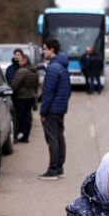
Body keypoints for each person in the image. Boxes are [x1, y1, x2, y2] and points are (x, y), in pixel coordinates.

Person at [38, 38, 71, 180]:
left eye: (45, 48)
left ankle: (52, 170)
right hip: (60, 109)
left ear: (52, 50)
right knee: (59, 137)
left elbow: (48, 92)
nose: (43, 51)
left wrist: (43, 112)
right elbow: (67, 91)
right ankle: (59, 168)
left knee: (52, 140)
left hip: (52, 110)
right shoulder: (62, 66)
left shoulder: (52, 68)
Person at [10, 54, 39, 143]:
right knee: (27, 118)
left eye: (20, 60)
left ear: (25, 61)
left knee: (18, 118)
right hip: (30, 97)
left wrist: (11, 93)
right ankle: (25, 137)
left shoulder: (21, 71)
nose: (18, 62)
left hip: (20, 98)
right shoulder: (34, 71)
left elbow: (14, 85)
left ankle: (15, 137)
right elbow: (36, 86)